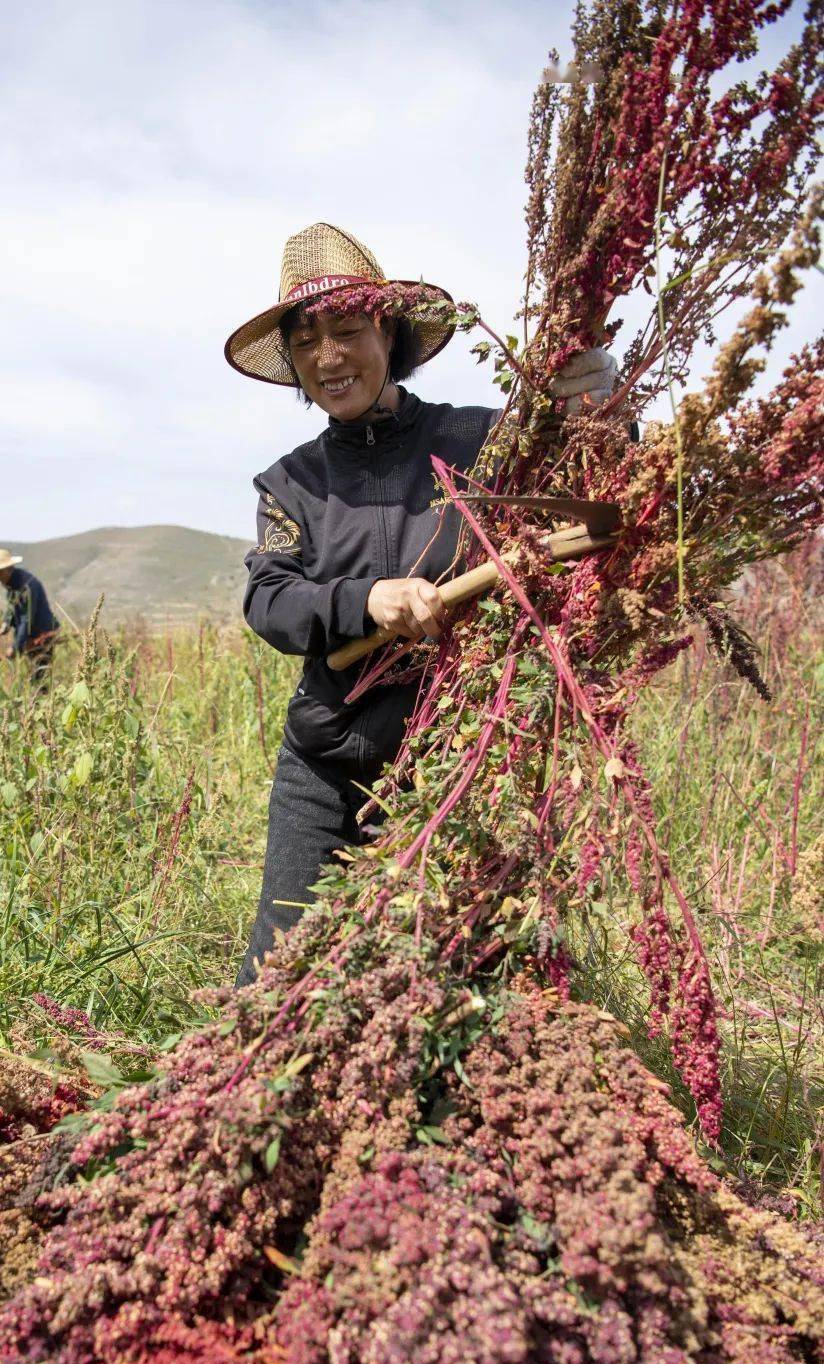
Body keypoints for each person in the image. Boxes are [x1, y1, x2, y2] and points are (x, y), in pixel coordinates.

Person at [226, 222, 616, 986]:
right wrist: (366, 599)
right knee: (278, 979)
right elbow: (269, 599)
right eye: (308, 344)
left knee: (444, 980)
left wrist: (597, 411)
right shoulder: (290, 483)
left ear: (390, 333)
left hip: (452, 760)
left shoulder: (479, 441)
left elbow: (590, 503)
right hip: (326, 758)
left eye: (348, 330)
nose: (329, 358)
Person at [0, 548, 59, 682]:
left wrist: (15, 647)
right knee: (31, 672)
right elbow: (12, 607)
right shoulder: (11, 585)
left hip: (42, 634)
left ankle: (40, 699)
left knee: (40, 675)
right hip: (30, 635)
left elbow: (25, 619)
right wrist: (6, 623)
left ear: (8, 569)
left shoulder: (26, 586)